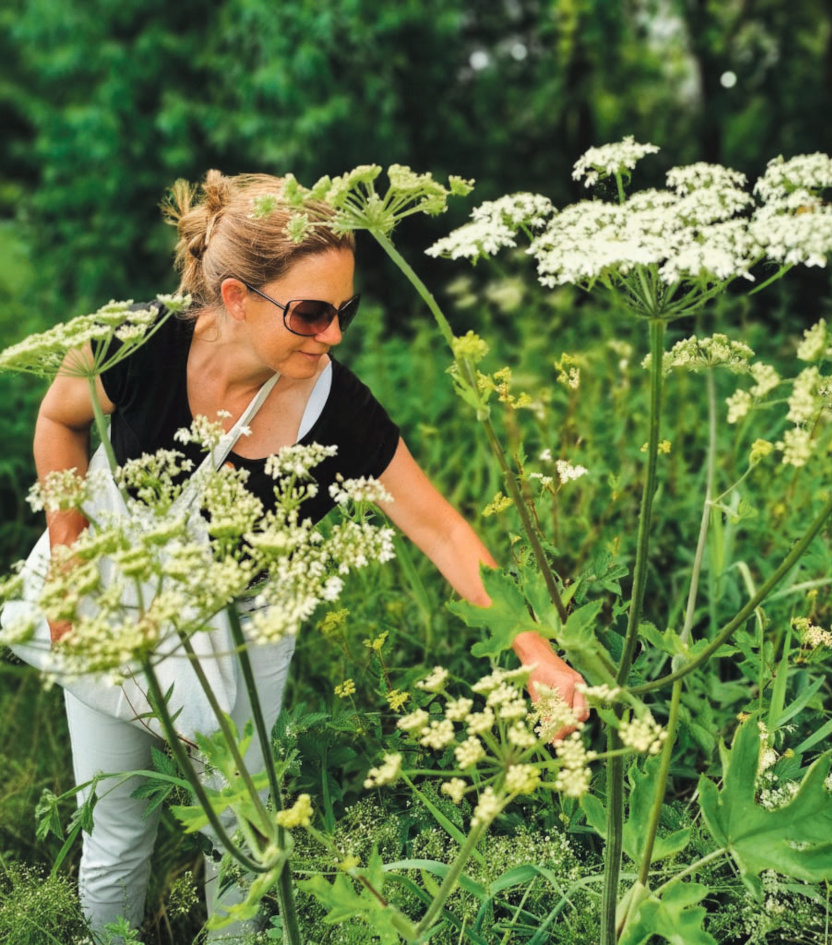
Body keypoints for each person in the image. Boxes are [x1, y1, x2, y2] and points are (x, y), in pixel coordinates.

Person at [33, 171, 589, 942]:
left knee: (244, 831)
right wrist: (68, 558)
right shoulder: (136, 342)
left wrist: (536, 653)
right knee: (118, 820)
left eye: (344, 312)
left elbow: (442, 531)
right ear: (234, 298)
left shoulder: (339, 412)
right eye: (310, 313)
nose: (331, 336)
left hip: (243, 625)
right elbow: (58, 420)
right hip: (118, 604)